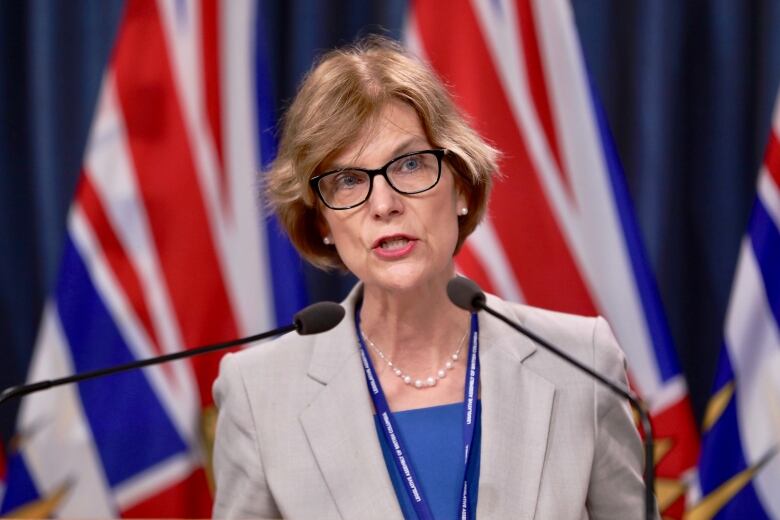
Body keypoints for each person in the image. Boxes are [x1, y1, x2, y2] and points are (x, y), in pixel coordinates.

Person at [212, 36, 652, 519]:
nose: (384, 205)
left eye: (410, 164)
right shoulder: (259, 393)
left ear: (460, 185)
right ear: (322, 223)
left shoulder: (578, 362)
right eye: (348, 180)